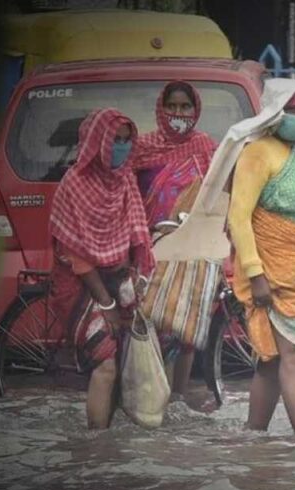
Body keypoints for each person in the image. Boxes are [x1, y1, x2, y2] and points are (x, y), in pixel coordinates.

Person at [226, 82, 295, 435]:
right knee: (294, 358)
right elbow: (239, 217)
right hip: (274, 275)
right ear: (275, 114)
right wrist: (255, 274)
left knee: (272, 363)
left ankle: (253, 435)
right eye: (294, 111)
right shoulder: (258, 152)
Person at [49, 108, 155, 429]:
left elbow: (134, 237)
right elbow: (77, 256)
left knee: (125, 360)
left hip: (115, 278)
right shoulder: (74, 184)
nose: (120, 147)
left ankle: (109, 434)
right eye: (114, 140)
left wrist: (132, 283)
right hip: (80, 285)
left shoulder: (124, 180)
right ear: (97, 142)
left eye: (126, 140)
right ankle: (97, 449)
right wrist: (107, 304)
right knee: (106, 365)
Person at [133, 80, 218, 408]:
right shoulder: (144, 147)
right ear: (161, 108)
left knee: (185, 327)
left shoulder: (205, 146)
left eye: (185, 107)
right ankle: (151, 397)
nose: (178, 113)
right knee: (152, 324)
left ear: (195, 111)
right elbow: (129, 193)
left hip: (191, 245)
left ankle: (178, 398)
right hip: (151, 245)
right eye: (173, 107)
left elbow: (214, 193)